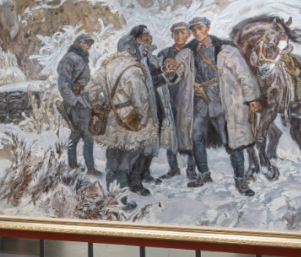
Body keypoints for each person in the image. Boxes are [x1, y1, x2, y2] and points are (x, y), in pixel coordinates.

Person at [163, 17, 262, 196]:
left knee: (232, 141)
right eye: (194, 30)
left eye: (200, 28)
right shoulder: (186, 52)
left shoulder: (226, 49)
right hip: (199, 102)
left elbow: (244, 74)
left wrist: (252, 98)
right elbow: (176, 76)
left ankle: (240, 180)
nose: (197, 32)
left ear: (208, 28)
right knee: (196, 138)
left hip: (223, 101)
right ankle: (204, 174)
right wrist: (170, 73)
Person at [100, 29, 165, 196]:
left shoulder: (111, 65)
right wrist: (143, 118)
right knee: (130, 151)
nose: (149, 37)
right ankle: (130, 185)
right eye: (145, 35)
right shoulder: (134, 64)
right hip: (132, 114)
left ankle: (127, 183)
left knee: (122, 152)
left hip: (119, 114)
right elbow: (140, 93)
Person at [157, 21, 196, 179]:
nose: (179, 36)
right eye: (176, 33)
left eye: (183, 33)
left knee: (190, 135)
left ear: (189, 35)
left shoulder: (194, 53)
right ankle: (173, 168)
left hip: (189, 100)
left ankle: (191, 169)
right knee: (170, 133)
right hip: (169, 100)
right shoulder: (164, 53)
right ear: (172, 35)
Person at [57, 33, 100, 175]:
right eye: (85, 43)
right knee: (88, 135)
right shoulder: (70, 58)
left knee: (76, 134)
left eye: (89, 43)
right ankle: (90, 168)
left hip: (84, 101)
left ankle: (73, 165)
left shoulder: (82, 59)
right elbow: (63, 83)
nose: (88, 46)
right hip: (76, 103)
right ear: (77, 44)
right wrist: (73, 101)